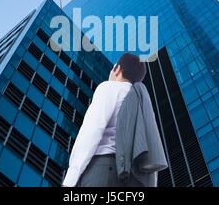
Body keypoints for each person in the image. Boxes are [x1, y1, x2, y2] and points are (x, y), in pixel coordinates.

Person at [62, 53, 166, 187]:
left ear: (117, 69)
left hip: (104, 169)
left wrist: (71, 178)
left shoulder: (108, 87)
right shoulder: (142, 102)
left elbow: (92, 131)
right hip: (137, 178)